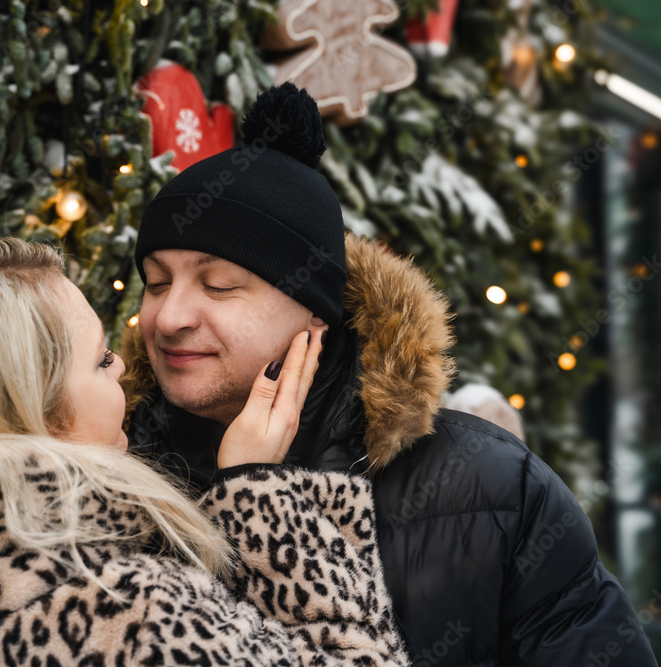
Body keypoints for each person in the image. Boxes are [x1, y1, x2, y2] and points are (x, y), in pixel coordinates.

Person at [122, 83, 658, 666]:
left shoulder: (490, 489)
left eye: (219, 285)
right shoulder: (108, 479)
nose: (169, 318)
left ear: (315, 313)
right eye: (156, 283)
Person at [0, 236, 409, 666]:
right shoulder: (122, 616)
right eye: (101, 360)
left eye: (219, 285)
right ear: (31, 414)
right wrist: (258, 494)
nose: (126, 365)